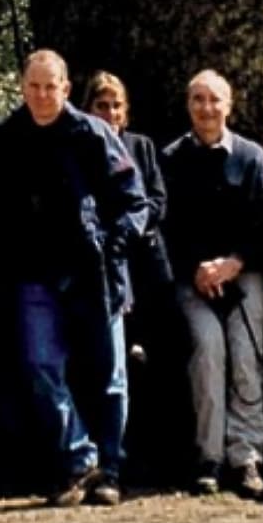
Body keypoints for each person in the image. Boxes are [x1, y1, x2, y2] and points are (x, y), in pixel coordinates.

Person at [0, 50, 149, 507]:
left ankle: (111, 470)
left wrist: (111, 243)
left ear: (65, 88)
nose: (42, 95)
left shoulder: (92, 134)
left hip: (97, 275)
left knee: (111, 376)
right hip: (34, 275)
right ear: (22, 87)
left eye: (50, 86)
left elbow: (135, 203)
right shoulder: (5, 139)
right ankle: (80, 458)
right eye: (34, 86)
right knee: (41, 366)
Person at [161, 69, 263, 499]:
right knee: (207, 352)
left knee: (247, 358)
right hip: (192, 279)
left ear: (229, 105)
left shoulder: (252, 158)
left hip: (244, 272)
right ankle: (207, 455)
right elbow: (164, 226)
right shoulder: (170, 158)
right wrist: (197, 269)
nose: (206, 109)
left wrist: (234, 263)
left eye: (215, 100)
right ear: (188, 105)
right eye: (198, 100)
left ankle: (246, 455)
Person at [82, 70, 184, 484]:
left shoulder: (140, 147)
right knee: (112, 362)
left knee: (162, 353)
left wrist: (133, 225)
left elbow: (156, 199)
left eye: (116, 105)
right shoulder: (83, 147)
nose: (110, 113)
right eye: (101, 105)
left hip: (147, 265)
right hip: (102, 268)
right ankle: (114, 454)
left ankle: (167, 453)